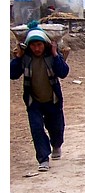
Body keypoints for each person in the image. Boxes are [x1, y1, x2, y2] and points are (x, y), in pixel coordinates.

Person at [10, 23, 70, 172]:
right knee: (36, 129)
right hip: (33, 102)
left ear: (45, 44)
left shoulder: (51, 57)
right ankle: (43, 158)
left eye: (39, 45)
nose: (37, 48)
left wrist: (56, 54)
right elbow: (12, 74)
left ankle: (56, 144)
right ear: (28, 46)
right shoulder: (25, 59)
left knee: (56, 128)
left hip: (53, 100)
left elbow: (63, 73)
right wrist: (17, 58)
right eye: (33, 45)